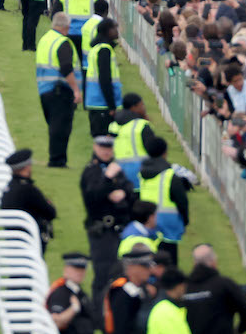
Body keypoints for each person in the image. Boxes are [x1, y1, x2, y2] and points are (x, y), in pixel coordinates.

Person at [80, 134, 134, 304]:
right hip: (101, 230)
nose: (106, 152)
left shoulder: (117, 170)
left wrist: (123, 193)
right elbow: (92, 196)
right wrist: (107, 180)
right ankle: (98, 316)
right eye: (102, 148)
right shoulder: (91, 171)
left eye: (108, 148)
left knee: (121, 273)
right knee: (103, 274)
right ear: (95, 148)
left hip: (120, 229)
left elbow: (130, 192)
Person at [138, 137, 195, 265]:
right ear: (165, 152)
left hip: (148, 220)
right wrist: (185, 220)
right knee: (169, 261)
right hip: (168, 223)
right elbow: (182, 201)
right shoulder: (169, 175)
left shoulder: (143, 172)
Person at [36, 12, 82, 168]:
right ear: (65, 27)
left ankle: (57, 158)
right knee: (61, 127)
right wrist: (76, 89)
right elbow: (66, 68)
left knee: (54, 125)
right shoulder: (62, 42)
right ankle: (57, 160)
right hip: (60, 89)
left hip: (44, 89)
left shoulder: (45, 39)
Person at [0, 149, 57, 253]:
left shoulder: (9, 189)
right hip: (29, 241)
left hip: (12, 240)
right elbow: (51, 212)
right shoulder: (28, 190)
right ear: (27, 167)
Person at [109, 94, 160, 191]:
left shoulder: (113, 125)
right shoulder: (142, 125)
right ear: (133, 107)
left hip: (118, 173)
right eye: (141, 105)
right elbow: (154, 150)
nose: (144, 108)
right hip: (141, 172)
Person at [85, 18, 122, 136]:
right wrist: (111, 105)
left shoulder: (97, 48)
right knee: (105, 143)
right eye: (114, 28)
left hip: (96, 101)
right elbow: (104, 79)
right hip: (102, 103)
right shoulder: (104, 50)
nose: (117, 31)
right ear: (107, 31)